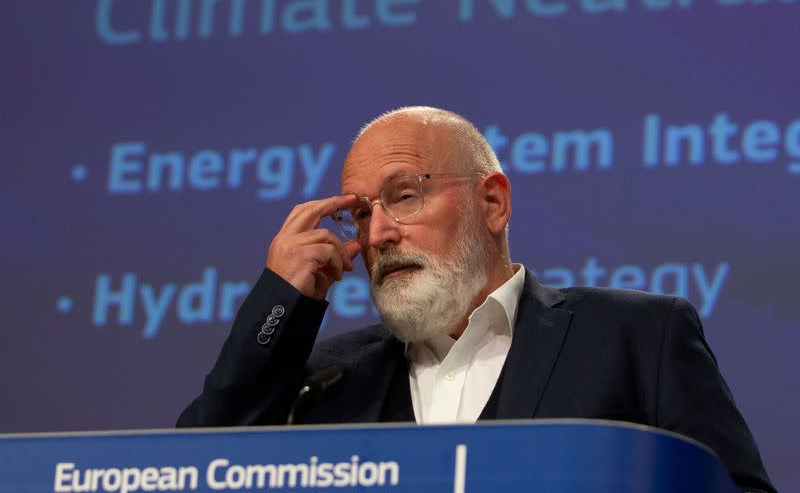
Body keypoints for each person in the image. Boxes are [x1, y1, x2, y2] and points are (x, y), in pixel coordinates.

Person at [178, 106, 775, 492]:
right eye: (360, 214)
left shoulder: (637, 336)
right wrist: (280, 301)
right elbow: (193, 471)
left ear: (492, 203)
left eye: (405, 194)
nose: (378, 233)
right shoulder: (325, 380)